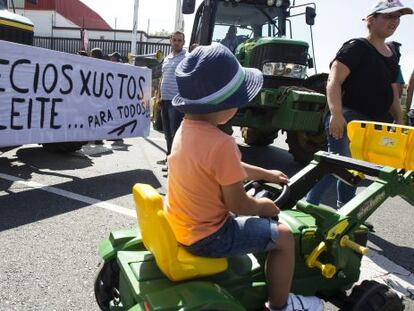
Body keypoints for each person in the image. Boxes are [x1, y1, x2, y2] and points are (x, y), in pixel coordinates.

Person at [165, 43, 324, 311]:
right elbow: (238, 205)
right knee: (284, 236)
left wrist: (267, 174)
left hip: (183, 224)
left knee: (261, 220)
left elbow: (227, 168)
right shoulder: (221, 143)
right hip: (209, 237)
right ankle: (280, 305)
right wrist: (264, 206)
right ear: (226, 105)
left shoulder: (186, 130)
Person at [306, 0, 413, 208]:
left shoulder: (391, 54)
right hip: (349, 118)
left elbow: (392, 92)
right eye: (389, 16)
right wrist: (337, 114)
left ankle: (345, 210)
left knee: (357, 170)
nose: (395, 21)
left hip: (374, 123)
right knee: (336, 165)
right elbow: (334, 81)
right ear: (371, 20)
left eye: (398, 17)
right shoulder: (357, 47)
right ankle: (308, 206)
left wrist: (400, 119)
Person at [157, 31, 187, 171]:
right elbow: (162, 78)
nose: (176, 42)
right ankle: (170, 159)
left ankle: (176, 164)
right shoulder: (167, 58)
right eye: (174, 40)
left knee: (176, 134)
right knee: (167, 134)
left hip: (176, 102)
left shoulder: (187, 57)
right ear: (170, 41)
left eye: (179, 40)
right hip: (164, 100)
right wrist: (158, 96)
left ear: (183, 42)